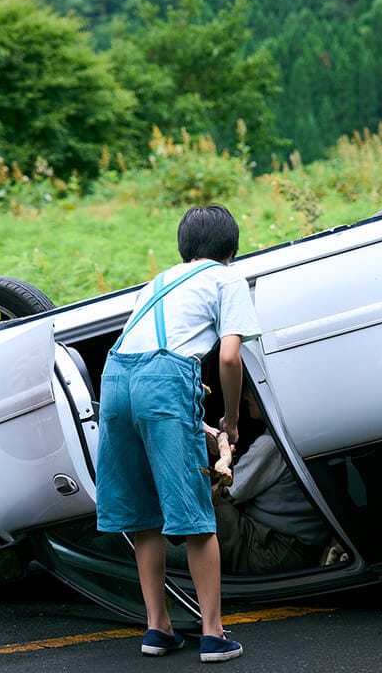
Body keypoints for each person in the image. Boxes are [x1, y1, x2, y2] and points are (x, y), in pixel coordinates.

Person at [95, 204, 262, 663]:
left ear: (183, 247)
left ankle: (158, 629)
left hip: (114, 380)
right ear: (231, 249)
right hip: (166, 381)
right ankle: (213, 634)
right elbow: (229, 358)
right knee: (194, 513)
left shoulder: (158, 281)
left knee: (144, 514)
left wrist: (196, 422)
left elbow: (143, 363)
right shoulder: (228, 279)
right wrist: (229, 418)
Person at [209, 388, 331, 576]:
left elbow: (224, 491)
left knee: (205, 503)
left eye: (251, 391)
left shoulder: (271, 446)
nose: (245, 396)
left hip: (278, 552)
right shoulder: (297, 434)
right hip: (303, 547)